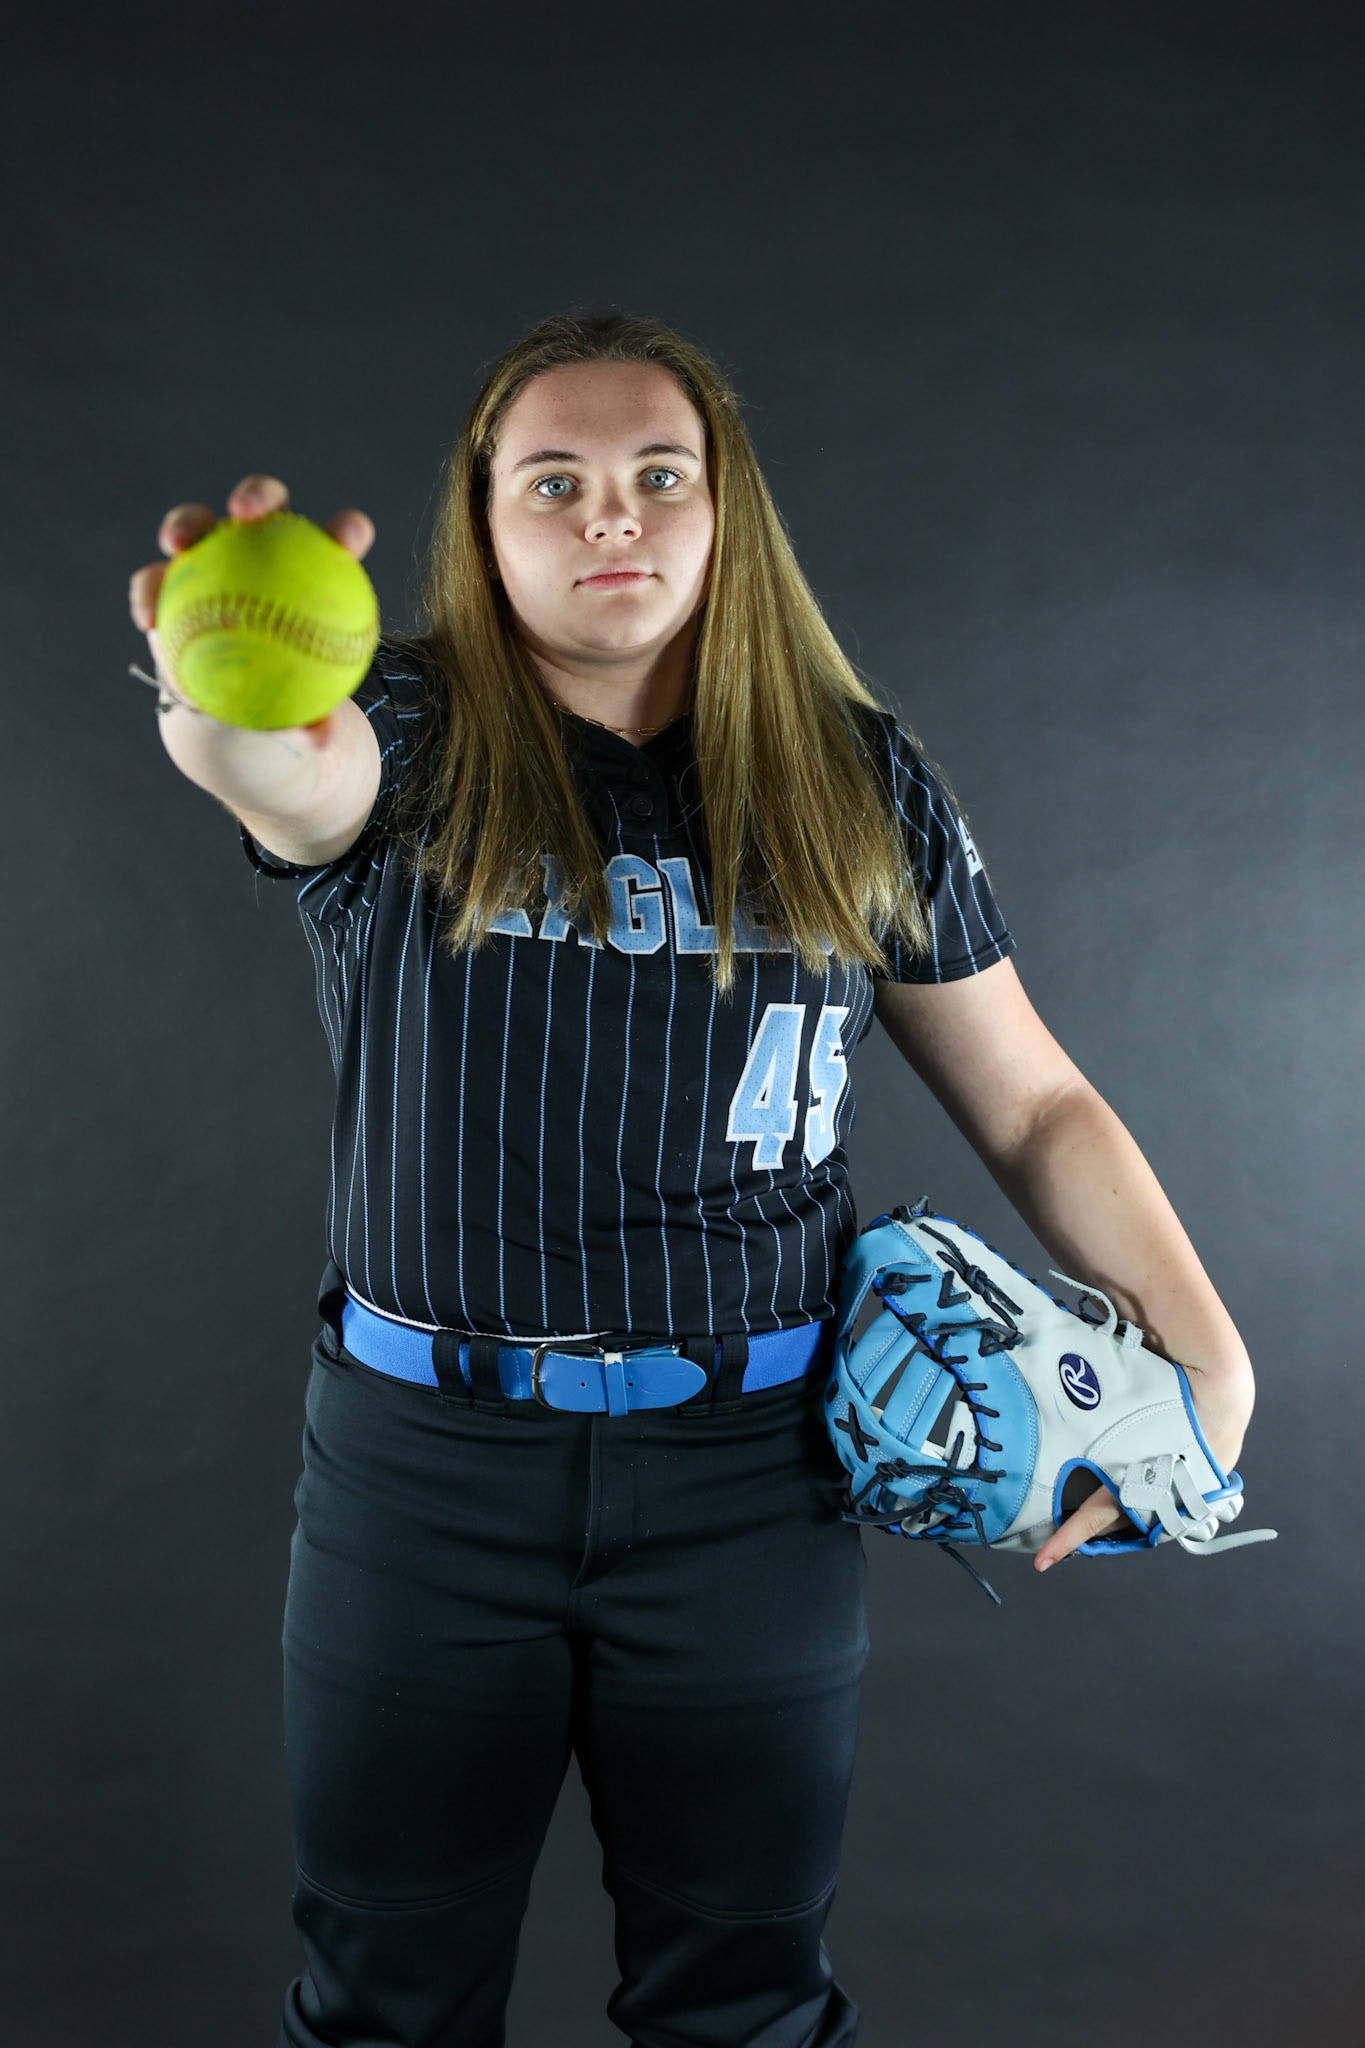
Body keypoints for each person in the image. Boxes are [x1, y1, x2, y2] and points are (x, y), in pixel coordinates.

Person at [129, 312, 1258, 2048]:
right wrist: (221, 694)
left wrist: (1211, 1366)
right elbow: (284, 776)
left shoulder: (848, 770)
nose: (611, 518)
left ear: (725, 512)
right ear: (485, 521)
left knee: (741, 2006)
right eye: (554, 483)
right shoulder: (410, 729)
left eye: (660, 475)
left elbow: (1032, 1104)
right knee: (385, 2006)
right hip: (424, 1479)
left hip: (749, 1484)